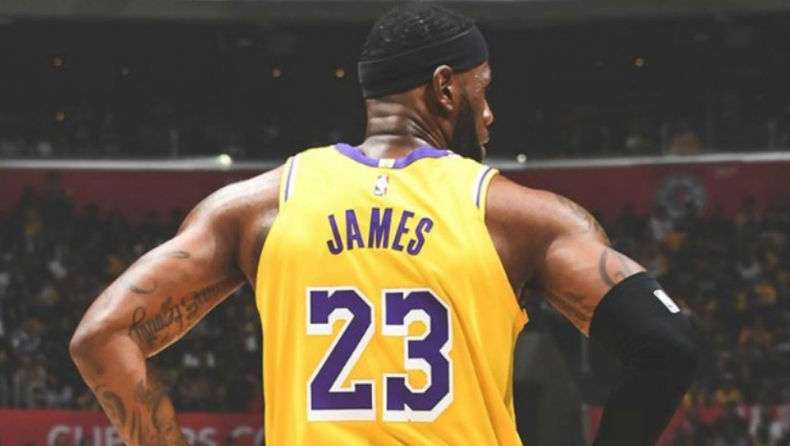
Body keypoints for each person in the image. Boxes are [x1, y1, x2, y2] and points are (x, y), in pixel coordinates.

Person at [70, 4, 700, 445]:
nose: (489, 113)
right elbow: (668, 345)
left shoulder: (258, 207)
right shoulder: (518, 217)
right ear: (445, 89)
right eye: (483, 90)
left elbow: (101, 336)